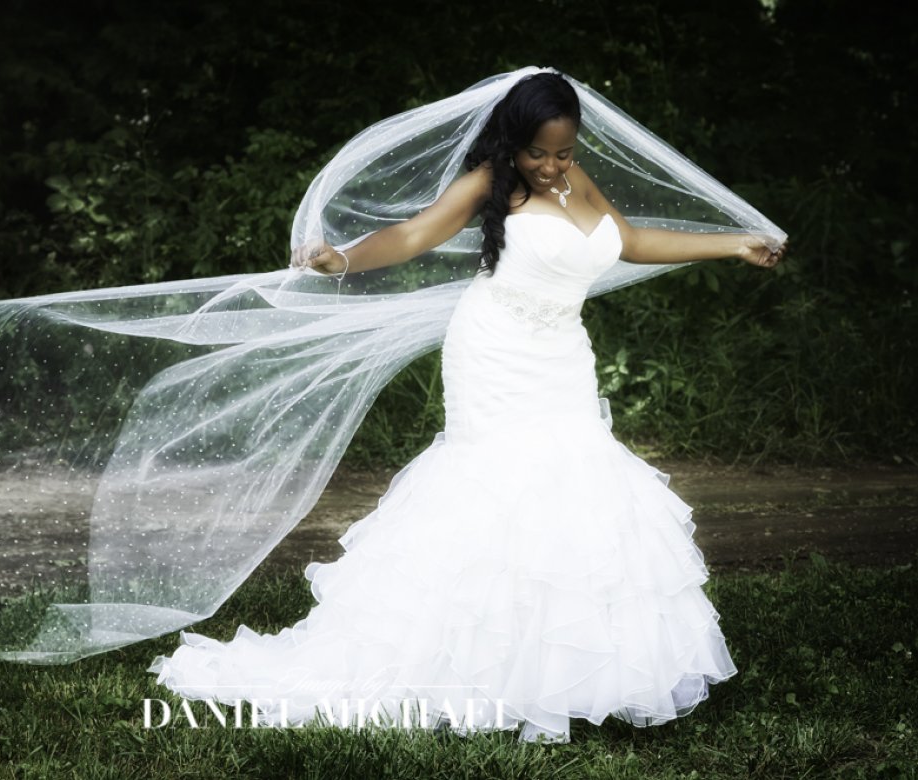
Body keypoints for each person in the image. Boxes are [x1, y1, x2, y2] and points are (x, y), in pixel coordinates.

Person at [146, 71, 784, 743]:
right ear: (516, 139)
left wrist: (731, 244)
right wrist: (341, 260)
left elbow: (627, 241)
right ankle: (467, 663)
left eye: (562, 152)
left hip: (560, 355)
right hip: (496, 353)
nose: (549, 165)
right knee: (498, 486)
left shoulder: (574, 180)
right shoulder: (490, 180)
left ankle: (563, 670)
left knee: (577, 486)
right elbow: (415, 234)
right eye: (538, 152)